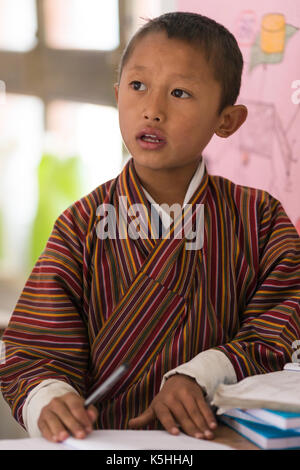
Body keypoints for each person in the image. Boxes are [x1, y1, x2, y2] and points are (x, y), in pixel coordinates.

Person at [1, 12, 300, 444]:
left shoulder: (260, 220)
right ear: (117, 94)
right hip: (102, 442)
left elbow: (280, 330)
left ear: (227, 120)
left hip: (216, 439)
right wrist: (50, 398)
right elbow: (35, 350)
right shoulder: (81, 224)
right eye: (138, 86)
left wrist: (203, 375)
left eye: (180, 92)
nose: (153, 110)